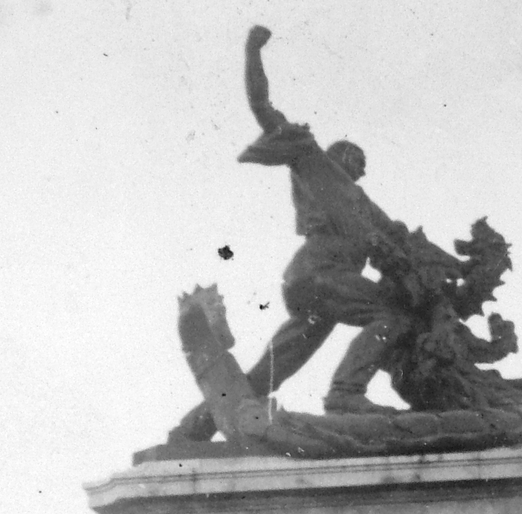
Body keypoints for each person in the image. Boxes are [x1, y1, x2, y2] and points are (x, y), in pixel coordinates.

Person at [170, 25, 430, 441]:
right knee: (392, 314)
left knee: (271, 371)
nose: (360, 169)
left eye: (363, 165)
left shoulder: (362, 204)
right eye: (355, 159)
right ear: (336, 155)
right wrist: (253, 51)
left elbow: (397, 236)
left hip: (319, 290)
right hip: (319, 275)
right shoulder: (311, 162)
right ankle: (346, 393)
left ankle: (192, 429)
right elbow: (262, 105)